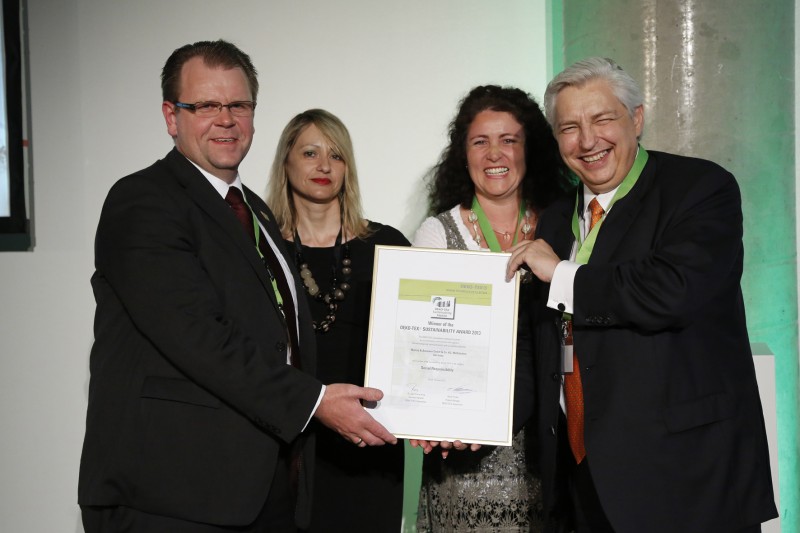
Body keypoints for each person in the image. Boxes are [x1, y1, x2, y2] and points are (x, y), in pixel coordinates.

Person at [78, 40, 396, 533]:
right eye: (205, 105)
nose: (225, 119)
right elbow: (198, 338)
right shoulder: (142, 202)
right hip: (169, 496)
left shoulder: (258, 214)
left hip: (263, 490)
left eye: (238, 105)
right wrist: (315, 402)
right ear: (171, 115)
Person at [506, 57, 779, 532]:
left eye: (602, 119)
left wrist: (563, 274)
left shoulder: (700, 188)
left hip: (684, 477)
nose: (587, 141)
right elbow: (544, 341)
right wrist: (467, 424)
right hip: (580, 478)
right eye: (569, 127)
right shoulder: (554, 219)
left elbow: (669, 290)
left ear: (636, 118)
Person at [412, 85, 569, 532]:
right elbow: (425, 346)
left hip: (551, 442)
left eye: (509, 139)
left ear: (529, 149)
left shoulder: (565, 223)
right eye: (480, 141)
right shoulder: (437, 233)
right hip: (465, 448)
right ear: (464, 155)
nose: (494, 153)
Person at [265, 108, 409, 532]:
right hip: (287, 443)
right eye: (310, 152)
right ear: (286, 162)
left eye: (336, 155)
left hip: (368, 444)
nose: (324, 165)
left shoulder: (388, 246)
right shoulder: (260, 249)